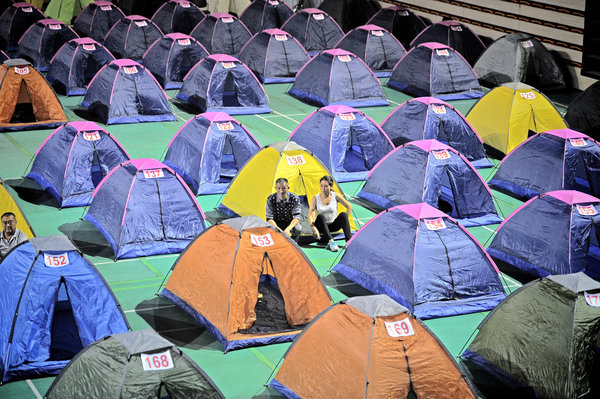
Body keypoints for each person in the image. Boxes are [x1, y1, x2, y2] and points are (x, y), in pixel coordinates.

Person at [308, 175, 352, 252]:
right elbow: (310, 214)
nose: (323, 189)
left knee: (343, 215)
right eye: (321, 186)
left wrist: (345, 222)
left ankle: (349, 241)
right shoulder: (316, 198)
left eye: (326, 186)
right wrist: (313, 228)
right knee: (321, 217)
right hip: (321, 226)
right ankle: (331, 242)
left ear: (330, 186)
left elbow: (349, 207)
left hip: (333, 225)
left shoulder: (335, 196)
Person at [266, 178, 303, 242]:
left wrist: (288, 229)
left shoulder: (295, 198)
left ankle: (294, 244)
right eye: (279, 188)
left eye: (283, 188)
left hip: (290, 221)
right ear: (275, 188)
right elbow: (269, 218)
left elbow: (296, 217)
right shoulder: (270, 199)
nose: (281, 191)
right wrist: (278, 230)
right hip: (276, 222)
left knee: (298, 229)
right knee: (268, 229)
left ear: (288, 188)